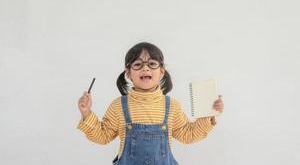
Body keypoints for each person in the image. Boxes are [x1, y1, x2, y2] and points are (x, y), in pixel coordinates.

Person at [77, 42, 224, 165]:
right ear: (128, 72)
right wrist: (86, 113)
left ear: (161, 71)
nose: (145, 68)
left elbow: (188, 135)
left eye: (152, 64)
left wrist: (208, 115)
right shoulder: (118, 106)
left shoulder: (171, 106)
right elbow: (103, 136)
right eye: (138, 64)